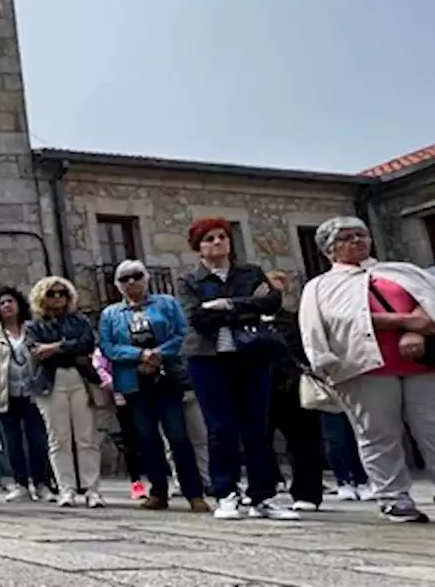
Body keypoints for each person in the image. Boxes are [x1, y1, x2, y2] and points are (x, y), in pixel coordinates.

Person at [299, 215, 435, 523]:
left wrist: (417, 329)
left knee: (432, 428)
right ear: (329, 250)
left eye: (361, 234)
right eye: (346, 237)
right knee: (378, 434)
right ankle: (394, 497)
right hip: (364, 367)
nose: (356, 241)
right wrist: (401, 321)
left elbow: (430, 299)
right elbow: (317, 327)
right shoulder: (320, 287)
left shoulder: (404, 272)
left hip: (422, 363)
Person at [177, 217, 293, 521]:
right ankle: (226, 493)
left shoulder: (250, 272)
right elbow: (196, 319)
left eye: (222, 237)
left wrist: (222, 305)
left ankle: (262, 496)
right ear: (198, 247)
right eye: (209, 239)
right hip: (208, 358)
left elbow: (270, 302)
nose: (217, 243)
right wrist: (245, 305)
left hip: (250, 355)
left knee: (257, 426)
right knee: (221, 428)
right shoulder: (189, 280)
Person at [98, 260, 208, 512]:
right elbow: (108, 346)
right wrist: (140, 355)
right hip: (133, 382)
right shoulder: (110, 314)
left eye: (136, 276)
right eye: (124, 278)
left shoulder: (166, 304)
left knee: (178, 436)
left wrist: (157, 353)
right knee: (147, 438)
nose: (131, 282)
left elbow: (182, 333)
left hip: (166, 378)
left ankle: (194, 493)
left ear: (146, 278)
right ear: (117, 285)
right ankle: (158, 491)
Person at [25, 275, 104, 509]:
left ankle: (92, 488)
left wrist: (55, 347)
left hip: (78, 378)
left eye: (62, 293)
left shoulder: (79, 321)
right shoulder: (34, 326)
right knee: (58, 438)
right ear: (42, 297)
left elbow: (87, 343)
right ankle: (66, 488)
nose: (58, 298)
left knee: (86, 437)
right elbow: (35, 351)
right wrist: (67, 346)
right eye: (52, 293)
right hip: (51, 381)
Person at [0, 286, 52, 502]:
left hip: (33, 393)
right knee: (12, 442)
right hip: (5, 394)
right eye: (1, 303)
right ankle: (20, 484)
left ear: (20, 304)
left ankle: (42, 483)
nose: (7, 306)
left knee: (38, 440)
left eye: (10, 301)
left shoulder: (34, 330)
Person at [263, 269, 325, 512]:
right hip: (260, 387)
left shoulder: (295, 319)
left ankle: (307, 492)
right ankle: (265, 488)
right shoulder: (248, 322)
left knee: (304, 441)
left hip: (294, 387)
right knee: (259, 440)